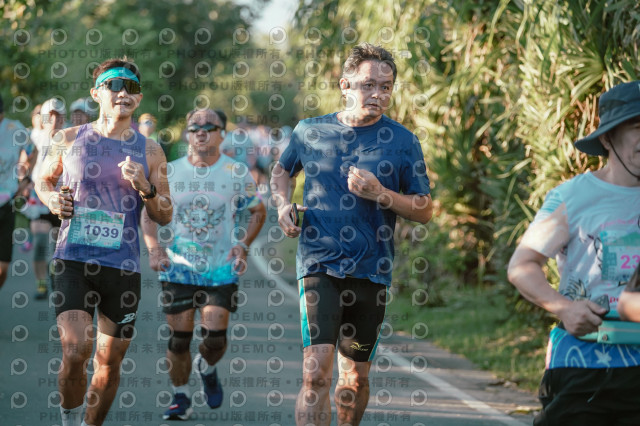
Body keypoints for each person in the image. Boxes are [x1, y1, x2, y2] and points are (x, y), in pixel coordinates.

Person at [270, 43, 432, 426]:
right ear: (345, 85)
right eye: (368, 84)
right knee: (315, 373)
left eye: (386, 87)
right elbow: (281, 172)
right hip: (319, 264)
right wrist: (282, 205)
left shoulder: (403, 142)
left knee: (354, 380)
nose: (378, 94)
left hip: (372, 270)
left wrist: (381, 194)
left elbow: (424, 209)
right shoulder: (310, 131)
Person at [34, 58, 173, 426]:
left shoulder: (151, 150)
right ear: (97, 93)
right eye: (113, 84)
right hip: (73, 259)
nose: (122, 92)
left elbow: (165, 213)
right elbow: (43, 181)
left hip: (122, 267)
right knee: (75, 349)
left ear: (138, 98)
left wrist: (146, 188)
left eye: (131, 87)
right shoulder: (67, 139)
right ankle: (69, 419)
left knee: (109, 363)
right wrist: (52, 200)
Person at [508, 81, 640, 425]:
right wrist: (565, 308)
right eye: (638, 127)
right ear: (608, 138)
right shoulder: (573, 197)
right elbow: (522, 265)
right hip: (585, 365)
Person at [141, 108, 266, 420]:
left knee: (214, 339)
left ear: (222, 134)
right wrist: (155, 249)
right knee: (179, 339)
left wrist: (243, 246)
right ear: (187, 134)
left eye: (209, 126)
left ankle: (206, 367)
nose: (200, 131)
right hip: (178, 268)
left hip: (220, 269)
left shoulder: (236, 171)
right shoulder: (171, 171)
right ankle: (180, 396)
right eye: (194, 126)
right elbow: (149, 212)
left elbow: (258, 211)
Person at [23, 98, 66, 299]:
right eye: (50, 116)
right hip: (39, 196)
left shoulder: (71, 137)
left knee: (59, 246)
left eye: (58, 116)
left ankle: (55, 272)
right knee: (40, 242)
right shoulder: (34, 137)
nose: (54, 120)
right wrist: (24, 181)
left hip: (62, 197)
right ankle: (41, 284)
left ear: (63, 118)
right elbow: (25, 161)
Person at [0, 94, 34, 291]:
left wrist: (26, 181)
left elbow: (33, 150)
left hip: (6, 202)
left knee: (3, 267)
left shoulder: (14, 129)